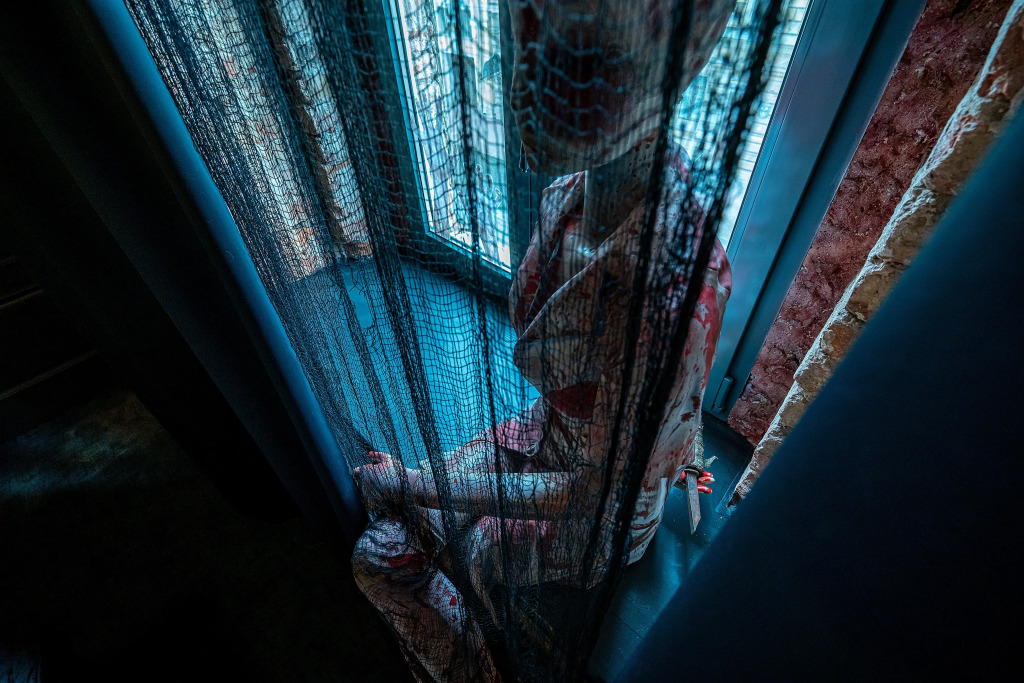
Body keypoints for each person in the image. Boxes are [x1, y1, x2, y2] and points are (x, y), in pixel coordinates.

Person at [352, 1, 736, 680]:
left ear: (674, 61)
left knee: (399, 553)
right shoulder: (567, 195)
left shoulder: (669, 292)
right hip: (542, 436)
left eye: (578, 56)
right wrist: (421, 488)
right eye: (520, 27)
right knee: (386, 536)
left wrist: (419, 482)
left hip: (595, 514)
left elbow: (592, 495)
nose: (523, 86)